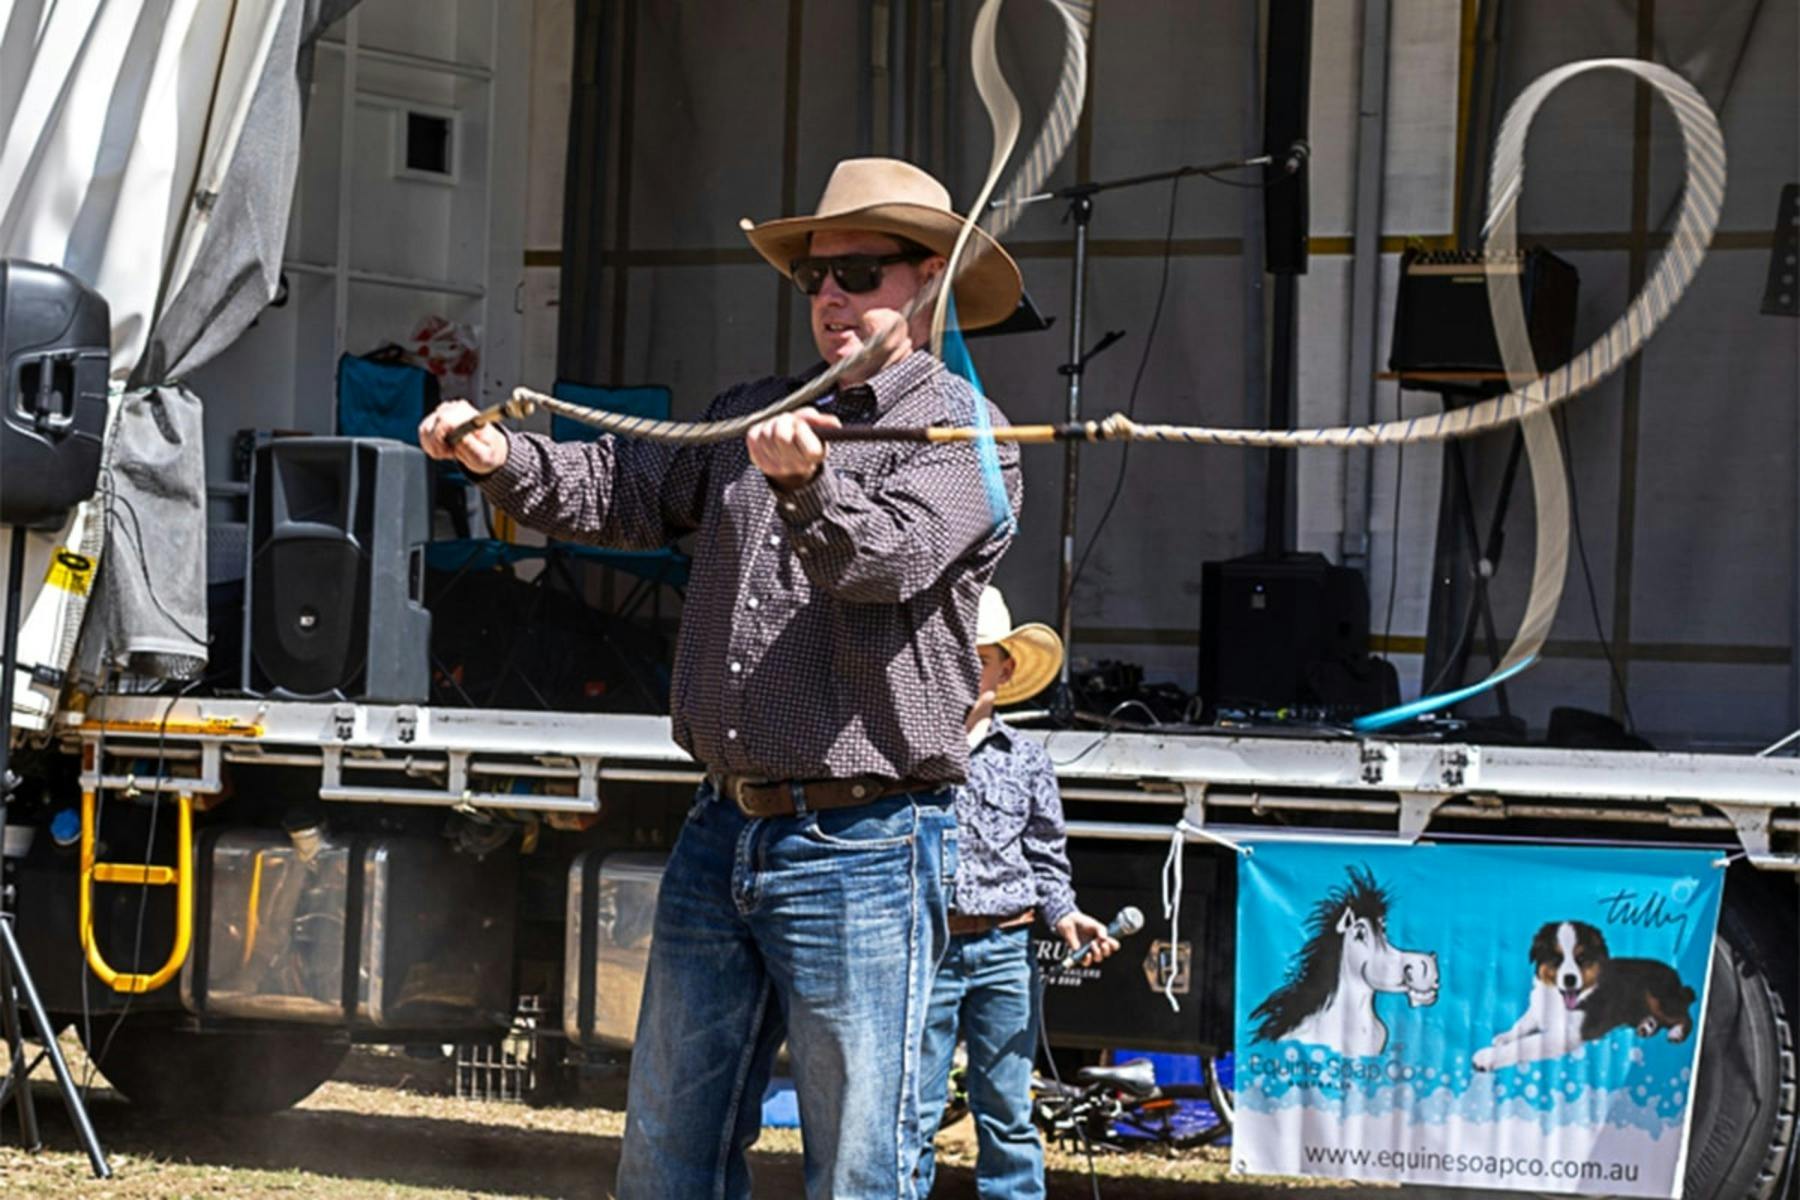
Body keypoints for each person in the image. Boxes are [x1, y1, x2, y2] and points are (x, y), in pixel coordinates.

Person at [419, 157, 1025, 1200]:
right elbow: (621, 489)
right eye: (815, 278)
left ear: (926, 281)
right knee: (665, 1154)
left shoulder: (969, 434)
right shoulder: (754, 411)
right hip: (720, 829)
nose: (831, 294)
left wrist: (807, 487)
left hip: (868, 844)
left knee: (860, 1169)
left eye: (860, 271)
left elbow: (882, 565)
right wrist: (498, 459)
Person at [914, 586, 1118, 1199]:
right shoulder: (910, 753)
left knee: (1005, 1105)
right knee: (914, 1109)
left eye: (977, 659)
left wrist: (1065, 914)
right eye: (951, 658)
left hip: (1006, 949)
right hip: (929, 947)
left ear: (1004, 668)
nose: (964, 673)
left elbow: (1045, 856)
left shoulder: (1027, 760)